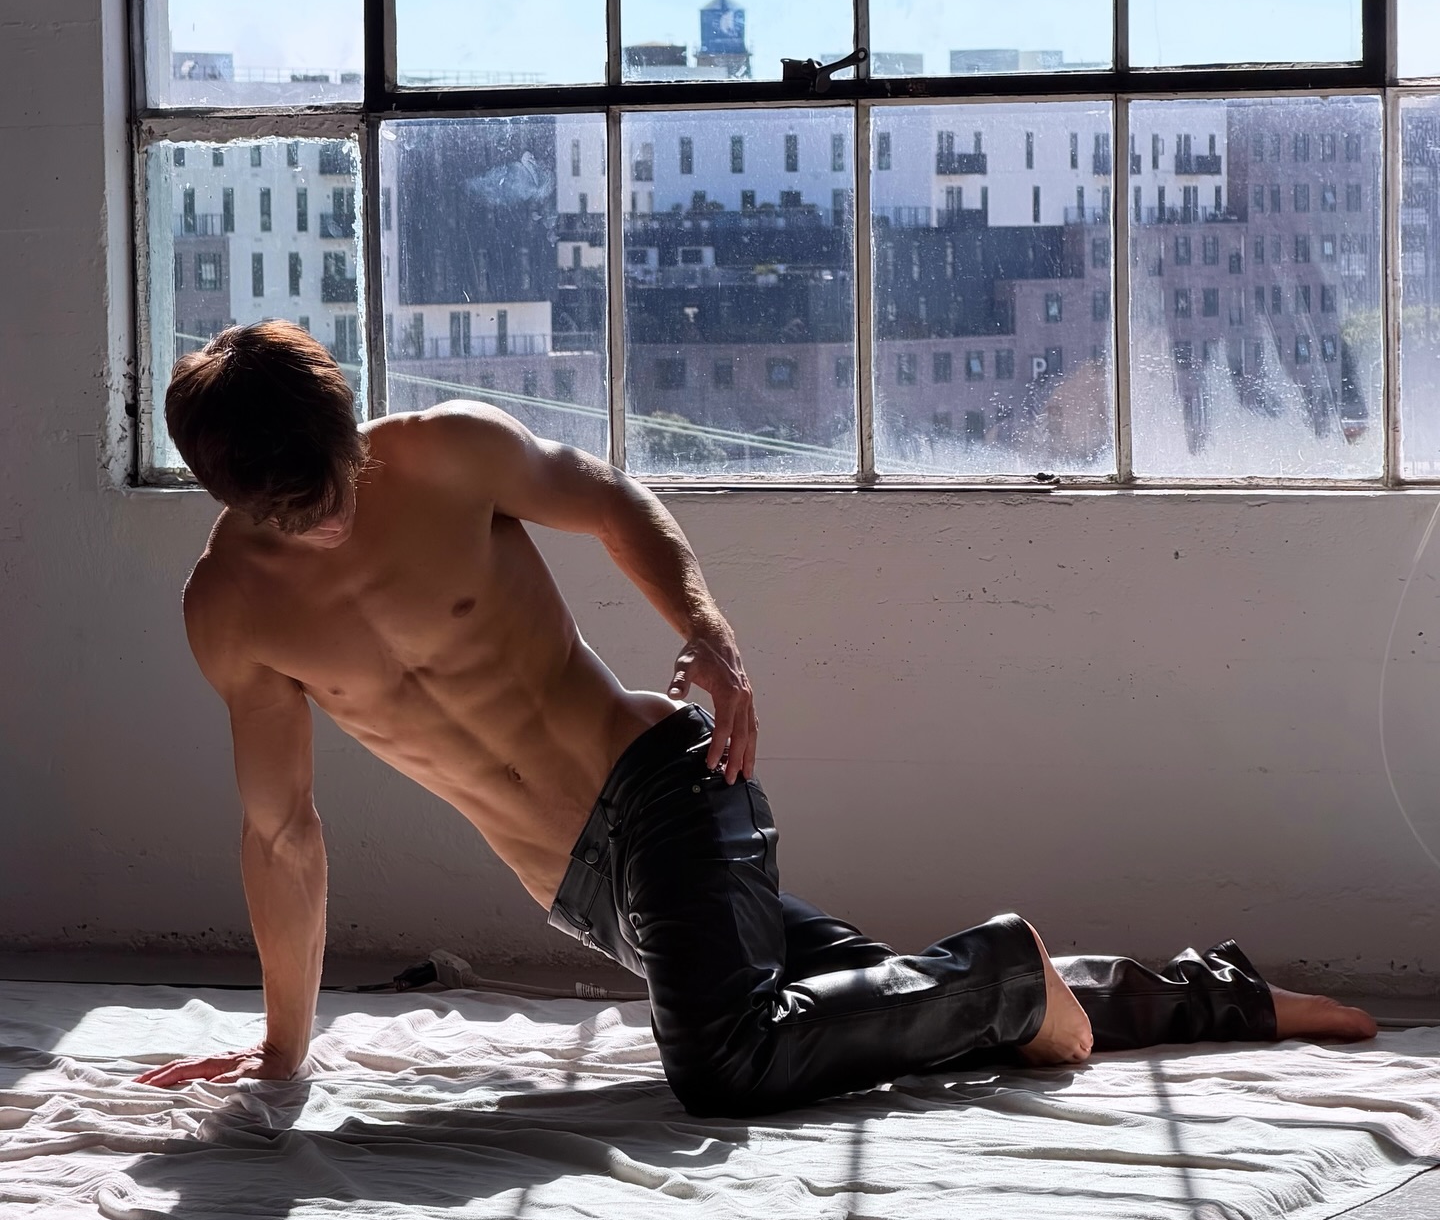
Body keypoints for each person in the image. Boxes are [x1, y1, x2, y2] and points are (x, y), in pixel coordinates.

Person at [138, 323, 1377, 1112]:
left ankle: (1009, 973)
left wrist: (711, 629)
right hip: (584, 891)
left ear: (349, 428)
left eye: (338, 483)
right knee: (878, 997)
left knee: (726, 1062)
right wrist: (285, 1056)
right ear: (228, 494)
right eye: (296, 514)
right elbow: (282, 833)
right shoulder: (231, 612)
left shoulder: (447, 453)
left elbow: (612, 501)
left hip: (663, 787)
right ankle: (1219, 997)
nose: (333, 520)